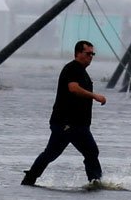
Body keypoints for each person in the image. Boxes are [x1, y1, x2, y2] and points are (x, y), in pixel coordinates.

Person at [21, 40, 106, 187]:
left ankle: (29, 179)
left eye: (92, 54)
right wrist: (94, 96)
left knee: (51, 153)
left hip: (74, 123)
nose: (90, 56)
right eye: (87, 53)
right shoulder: (72, 68)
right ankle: (95, 182)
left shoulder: (82, 72)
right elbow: (73, 88)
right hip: (68, 123)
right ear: (78, 53)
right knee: (91, 151)